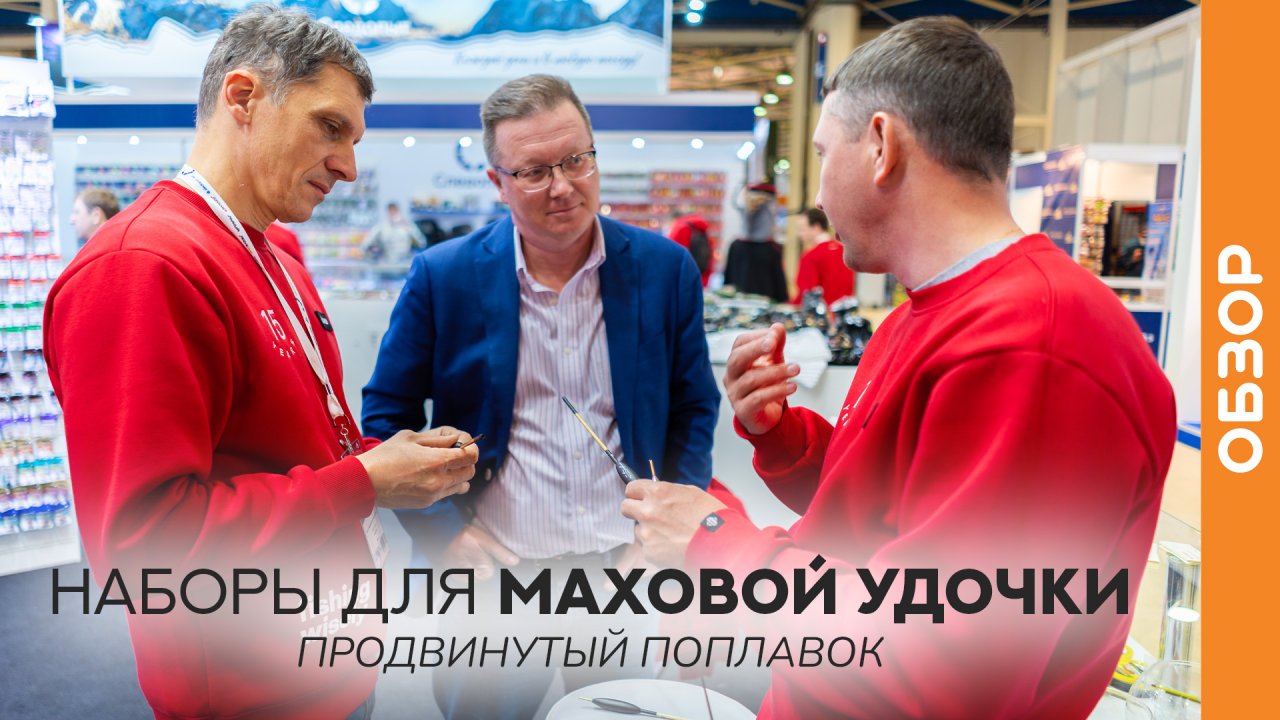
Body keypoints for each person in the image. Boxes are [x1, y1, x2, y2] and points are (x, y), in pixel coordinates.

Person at [622, 17, 1175, 720]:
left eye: (824, 154)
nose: (818, 197)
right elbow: (895, 513)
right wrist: (784, 437)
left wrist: (719, 545)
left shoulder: (1033, 344)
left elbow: (939, 666)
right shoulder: (928, 313)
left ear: (881, 146)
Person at [43, 7, 477, 719]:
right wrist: (362, 482)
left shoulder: (276, 258)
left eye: (354, 140)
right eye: (329, 127)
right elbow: (145, 549)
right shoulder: (143, 267)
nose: (349, 167)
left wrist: (382, 461)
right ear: (242, 97)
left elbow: (282, 445)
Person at [361, 73, 720, 720]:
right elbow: (387, 417)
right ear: (497, 182)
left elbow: (694, 408)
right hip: (495, 572)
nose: (563, 186)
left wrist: (661, 535)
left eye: (577, 160)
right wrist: (447, 536)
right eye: (533, 172)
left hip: (621, 570)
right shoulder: (444, 277)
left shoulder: (664, 270)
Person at [723, 181, 788, 301]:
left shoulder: (735, 246)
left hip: (737, 306)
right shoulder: (772, 249)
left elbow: (728, 284)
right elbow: (780, 290)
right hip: (765, 307)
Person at [791, 207, 854, 305]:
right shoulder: (845, 251)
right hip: (843, 311)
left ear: (816, 227)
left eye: (802, 229)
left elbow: (807, 294)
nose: (799, 234)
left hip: (821, 312)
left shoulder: (811, 256)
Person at [360, 201, 426, 262]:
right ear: (387, 212)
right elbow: (365, 244)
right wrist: (372, 255)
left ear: (398, 211)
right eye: (390, 211)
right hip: (387, 263)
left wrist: (409, 227)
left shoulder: (408, 226)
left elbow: (422, 243)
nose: (392, 213)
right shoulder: (381, 227)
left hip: (404, 264)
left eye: (394, 211)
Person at [667, 209, 714, 287]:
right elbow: (709, 259)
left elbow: (671, 258)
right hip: (701, 279)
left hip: (681, 283)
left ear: (673, 220)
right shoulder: (702, 229)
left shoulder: (679, 228)